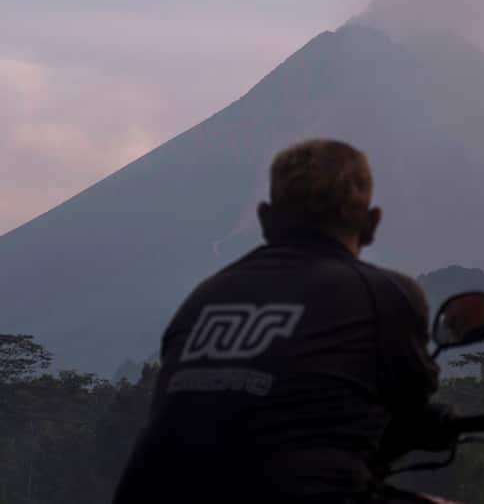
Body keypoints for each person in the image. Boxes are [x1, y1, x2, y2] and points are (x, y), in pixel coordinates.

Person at [113, 139, 450, 503]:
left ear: (265, 219)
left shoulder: (203, 298)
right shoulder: (383, 294)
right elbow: (410, 404)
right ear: (371, 224)